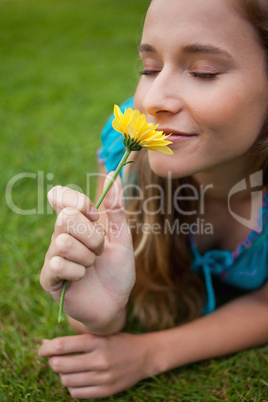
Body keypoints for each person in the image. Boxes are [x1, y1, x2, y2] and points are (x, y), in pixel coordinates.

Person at [38, 0, 268, 399]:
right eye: (149, 68)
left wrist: (150, 353)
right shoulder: (125, 158)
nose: (153, 101)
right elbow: (104, 298)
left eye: (203, 72)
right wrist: (102, 316)